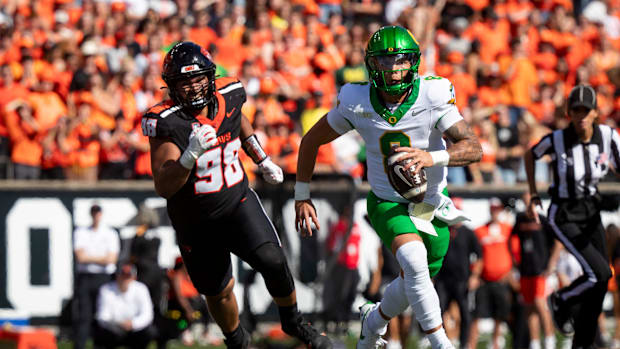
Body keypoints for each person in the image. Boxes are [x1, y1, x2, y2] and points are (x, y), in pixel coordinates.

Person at [294, 25, 482, 349]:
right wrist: (302, 194)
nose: (395, 70)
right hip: (387, 202)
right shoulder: (356, 100)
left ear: (414, 63)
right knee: (413, 260)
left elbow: (473, 147)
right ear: (372, 64)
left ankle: (375, 319)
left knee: (415, 278)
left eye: (402, 61)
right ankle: (440, 343)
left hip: (430, 203)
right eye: (386, 61)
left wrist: (430, 157)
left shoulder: (433, 94)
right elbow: (311, 141)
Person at [142, 41, 331, 349]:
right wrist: (188, 156)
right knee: (219, 291)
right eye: (183, 82)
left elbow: (238, 121)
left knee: (273, 259)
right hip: (196, 221)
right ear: (172, 87)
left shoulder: (230, 94)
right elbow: (164, 185)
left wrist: (261, 158)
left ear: (210, 76)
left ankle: (294, 322)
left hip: (236, 201)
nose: (192, 87)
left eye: (197, 78)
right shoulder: (166, 121)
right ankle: (237, 341)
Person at [525, 84, 620, 348]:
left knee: (602, 282)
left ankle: (584, 341)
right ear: (568, 113)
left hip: (591, 210)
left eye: (585, 111)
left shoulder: (608, 136)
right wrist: (533, 194)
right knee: (599, 273)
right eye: (575, 111)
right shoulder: (557, 139)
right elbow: (531, 155)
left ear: (595, 113)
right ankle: (561, 299)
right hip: (564, 213)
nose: (580, 116)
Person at [72, 204, 120, 349]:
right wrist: (101, 258)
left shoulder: (110, 233)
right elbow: (81, 257)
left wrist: (90, 257)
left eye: (98, 212)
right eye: (94, 212)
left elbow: (111, 259)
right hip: (86, 277)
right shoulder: (81, 232)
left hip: (104, 278)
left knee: (103, 314)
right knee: (84, 315)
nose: (96, 215)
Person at [93, 263, 154, 349]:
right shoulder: (106, 290)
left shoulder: (141, 289)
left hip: (135, 330)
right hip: (113, 330)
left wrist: (133, 323)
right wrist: (118, 324)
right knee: (100, 332)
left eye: (128, 276)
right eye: (122, 275)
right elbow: (103, 316)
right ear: (117, 276)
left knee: (149, 331)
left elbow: (147, 314)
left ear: (134, 278)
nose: (125, 279)